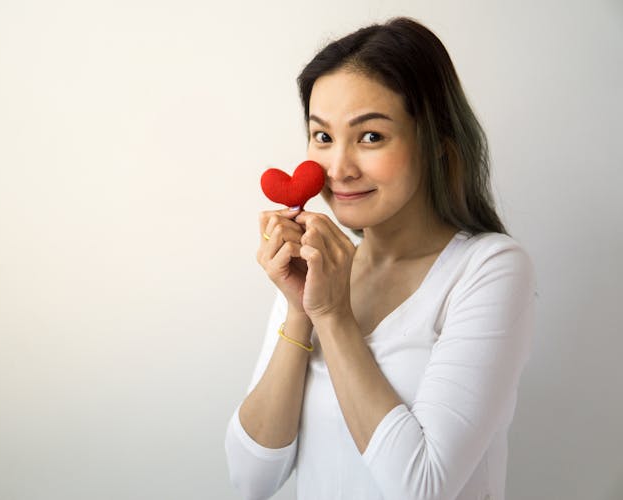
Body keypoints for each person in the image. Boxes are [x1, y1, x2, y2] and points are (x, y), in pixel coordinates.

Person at [224, 17, 537, 500]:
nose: (340, 169)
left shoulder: (490, 268)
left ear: (434, 143)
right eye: (323, 137)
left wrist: (331, 315)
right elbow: (251, 480)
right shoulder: (318, 268)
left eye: (370, 136)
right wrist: (298, 311)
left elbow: (422, 486)